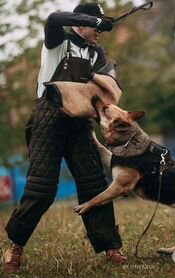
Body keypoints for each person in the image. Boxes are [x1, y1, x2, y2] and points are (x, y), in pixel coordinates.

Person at [3, 2, 127, 273]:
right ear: (80, 24)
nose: (99, 31)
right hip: (48, 118)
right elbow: (53, 17)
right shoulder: (56, 40)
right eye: (95, 26)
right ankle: (14, 245)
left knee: (95, 184)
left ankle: (111, 248)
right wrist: (95, 20)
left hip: (80, 121)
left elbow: (108, 85)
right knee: (42, 189)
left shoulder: (98, 53)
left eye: (100, 26)